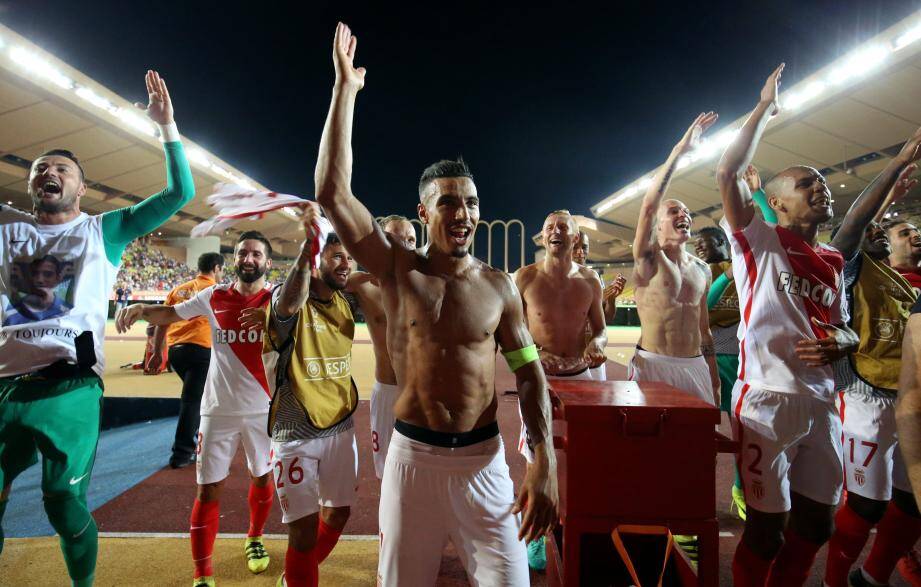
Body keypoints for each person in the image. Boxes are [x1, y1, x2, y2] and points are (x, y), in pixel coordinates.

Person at [314, 23, 557, 586]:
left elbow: (529, 375)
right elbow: (332, 193)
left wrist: (542, 461)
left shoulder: (499, 287)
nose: (463, 213)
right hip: (413, 462)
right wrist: (344, 92)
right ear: (424, 213)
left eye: (470, 202)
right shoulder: (398, 270)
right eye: (447, 202)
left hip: (484, 463)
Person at [0, 70, 194, 586]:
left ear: (82, 188)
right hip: (3, 385)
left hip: (70, 384)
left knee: (62, 500)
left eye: (61, 168)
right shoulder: (7, 228)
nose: (50, 173)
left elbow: (180, 192)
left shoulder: (101, 230)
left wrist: (167, 127)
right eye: (41, 168)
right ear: (31, 183)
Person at [717, 63, 868, 586]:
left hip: (823, 403)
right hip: (767, 398)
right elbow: (726, 173)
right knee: (766, 531)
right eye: (808, 183)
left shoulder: (829, 260)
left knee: (817, 524)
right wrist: (764, 109)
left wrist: (845, 341)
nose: (821, 187)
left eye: (823, 182)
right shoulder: (759, 239)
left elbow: (845, 328)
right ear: (777, 202)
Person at [116, 232, 275, 587]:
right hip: (217, 410)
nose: (248, 259)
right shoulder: (214, 295)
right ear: (233, 259)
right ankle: (202, 573)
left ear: (267, 261)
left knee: (263, 478)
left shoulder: (276, 298)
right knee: (207, 490)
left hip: (264, 409)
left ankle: (254, 537)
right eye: (242, 253)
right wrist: (143, 309)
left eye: (256, 254)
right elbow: (171, 313)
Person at [822, 168, 921, 587]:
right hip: (867, 399)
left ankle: (874, 576)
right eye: (904, 231)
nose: (911, 234)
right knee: (866, 505)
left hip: (910, 400)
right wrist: (891, 181)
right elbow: (854, 230)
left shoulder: (910, 286)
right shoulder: (853, 270)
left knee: (911, 500)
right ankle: (833, 579)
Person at [259, 209, 360, 587]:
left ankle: (296, 577)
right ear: (316, 261)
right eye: (336, 257)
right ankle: (301, 575)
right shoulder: (286, 304)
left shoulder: (343, 303)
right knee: (300, 534)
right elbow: (289, 302)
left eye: (348, 258)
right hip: (295, 432)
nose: (345, 264)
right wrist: (307, 248)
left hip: (341, 427)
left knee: (339, 514)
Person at [630, 112, 721, 407]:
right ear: (657, 226)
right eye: (674, 211)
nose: (684, 215)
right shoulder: (648, 260)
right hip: (652, 364)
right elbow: (648, 205)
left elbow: (703, 328)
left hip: (695, 366)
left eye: (687, 213)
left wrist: (714, 373)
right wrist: (678, 152)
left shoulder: (703, 269)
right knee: (648, 449)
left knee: (696, 449)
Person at [346, 214, 416, 479]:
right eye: (395, 239)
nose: (405, 245)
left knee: (423, 473)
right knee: (388, 474)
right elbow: (317, 286)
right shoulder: (362, 285)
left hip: (421, 393)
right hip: (387, 391)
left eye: (411, 239)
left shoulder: (429, 283)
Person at [147, 252, 225, 468]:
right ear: (217, 268)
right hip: (201, 350)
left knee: (200, 398)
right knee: (194, 400)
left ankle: (202, 444)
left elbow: (162, 320)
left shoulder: (178, 290)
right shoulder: (215, 291)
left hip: (176, 351)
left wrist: (156, 353)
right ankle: (182, 453)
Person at [572, 229, 625, 379]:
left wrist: (611, 299)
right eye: (575, 247)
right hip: (570, 361)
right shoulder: (558, 279)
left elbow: (606, 319)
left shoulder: (595, 279)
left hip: (595, 360)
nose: (580, 252)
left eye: (584, 247)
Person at [887, 220, 921, 294]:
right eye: (905, 234)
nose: (916, 235)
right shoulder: (884, 281)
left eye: (917, 231)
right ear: (887, 246)